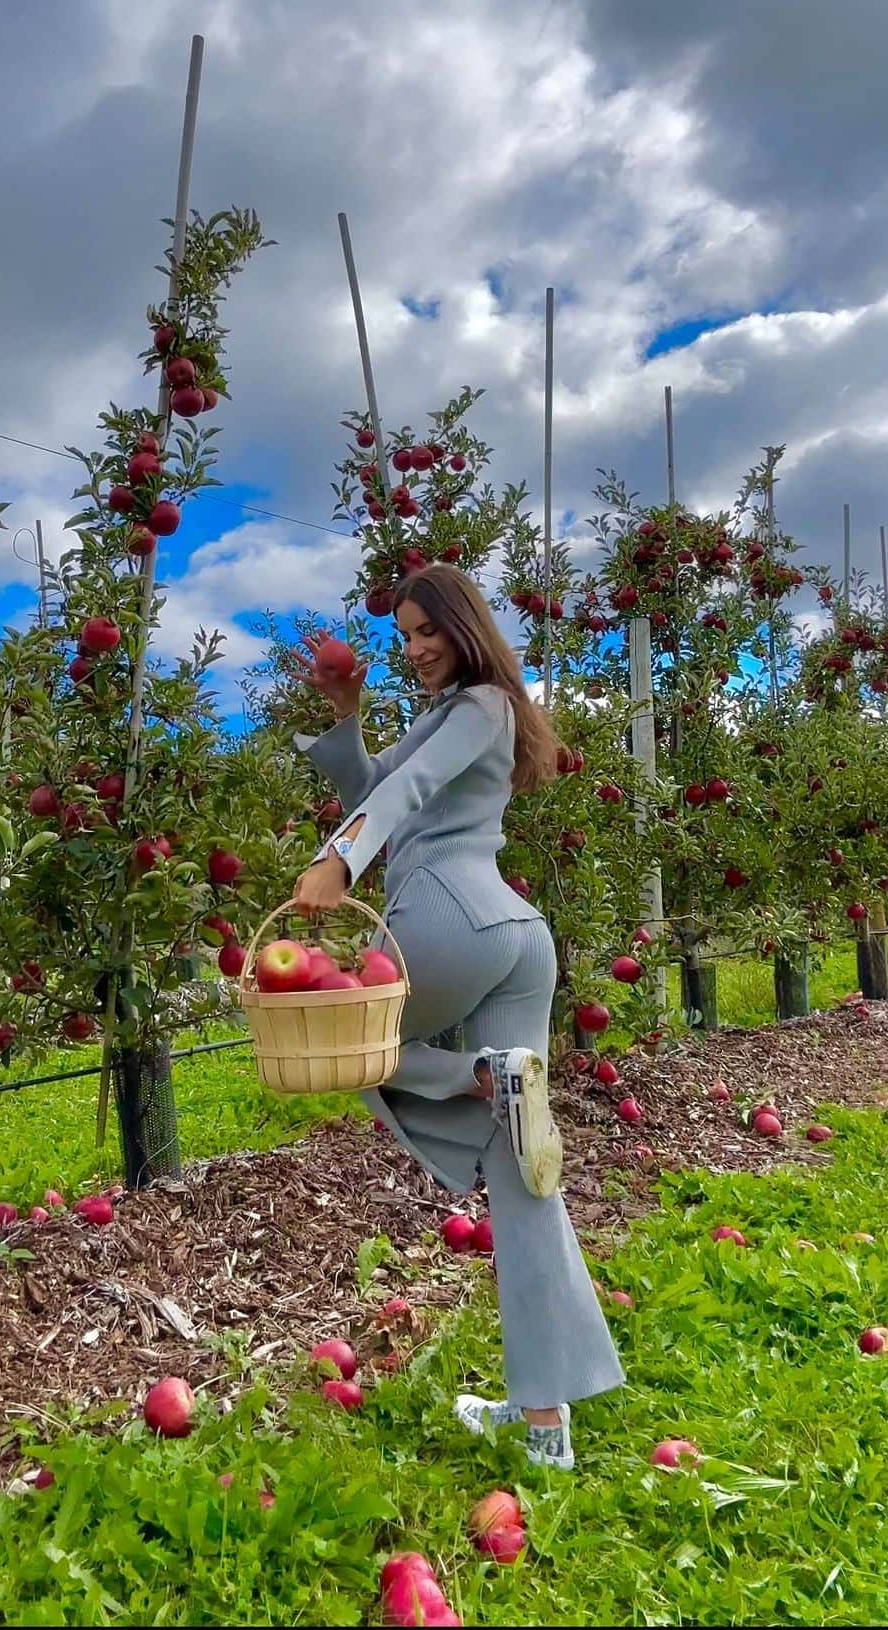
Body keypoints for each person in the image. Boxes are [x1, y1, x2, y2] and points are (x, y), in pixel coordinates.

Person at [287, 564, 624, 1469]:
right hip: (514, 935)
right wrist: (348, 714)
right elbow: (378, 783)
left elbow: (395, 804)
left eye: (425, 629)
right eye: (402, 637)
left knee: (341, 1044)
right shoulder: (454, 717)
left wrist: (339, 863)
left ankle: (470, 1078)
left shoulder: (479, 705)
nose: (414, 648)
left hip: (447, 917)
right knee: (525, 1179)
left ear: (463, 625)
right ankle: (544, 1420)